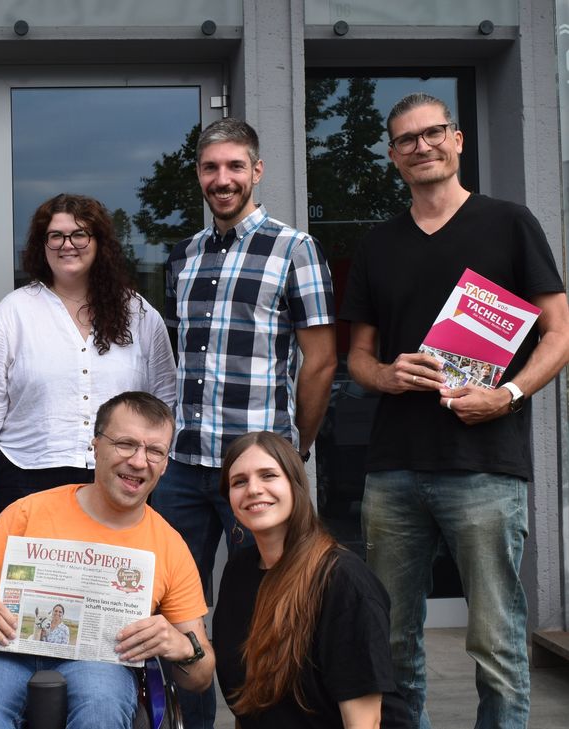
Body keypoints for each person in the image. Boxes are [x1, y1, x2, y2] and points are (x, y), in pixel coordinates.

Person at [340, 92, 569, 728]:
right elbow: (356, 356)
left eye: (432, 133)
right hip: (393, 469)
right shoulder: (378, 243)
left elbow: (559, 331)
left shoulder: (509, 222)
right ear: (392, 156)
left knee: (496, 642)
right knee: (389, 640)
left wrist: (509, 393)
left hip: (485, 465)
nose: (422, 146)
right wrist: (385, 374)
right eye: (406, 139)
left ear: (458, 139)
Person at [150, 118, 337, 728]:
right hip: (183, 466)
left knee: (271, 605)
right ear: (199, 176)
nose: (222, 179)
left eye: (235, 167)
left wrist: (295, 447)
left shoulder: (294, 248)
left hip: (252, 469)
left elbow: (321, 359)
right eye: (211, 168)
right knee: (180, 609)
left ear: (257, 171)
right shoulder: (184, 255)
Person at [0, 391, 215, 729]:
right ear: (95, 445)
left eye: (154, 451)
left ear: (165, 465)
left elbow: (201, 675)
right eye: (125, 444)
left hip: (102, 663)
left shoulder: (169, 545)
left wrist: (182, 648)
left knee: (102, 706)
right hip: (7, 653)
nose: (139, 461)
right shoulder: (32, 511)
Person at [0, 193, 176, 527]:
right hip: (26, 482)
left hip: (120, 482)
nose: (67, 244)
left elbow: (165, 401)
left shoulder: (140, 315)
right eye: (56, 235)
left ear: (99, 242)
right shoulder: (12, 313)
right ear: (42, 245)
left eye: (79, 234)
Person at [212, 432, 408, 729]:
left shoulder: (342, 580)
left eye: (268, 475)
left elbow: (365, 723)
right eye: (239, 481)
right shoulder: (237, 573)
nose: (253, 489)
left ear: (296, 485)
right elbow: (249, 708)